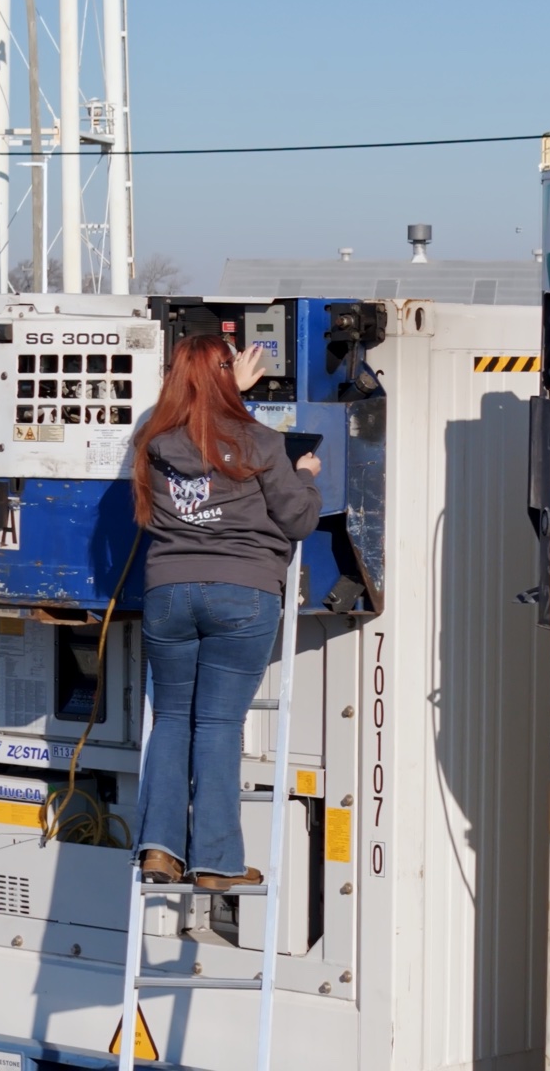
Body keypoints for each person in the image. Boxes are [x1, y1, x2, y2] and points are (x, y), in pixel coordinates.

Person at [129, 333, 321, 887]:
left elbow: (198, 433)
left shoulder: (150, 438)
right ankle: (215, 861)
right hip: (242, 592)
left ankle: (159, 850)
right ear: (225, 375)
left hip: (167, 593)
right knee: (217, 723)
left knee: (170, 719)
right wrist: (305, 474)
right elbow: (299, 519)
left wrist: (220, 388)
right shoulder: (260, 440)